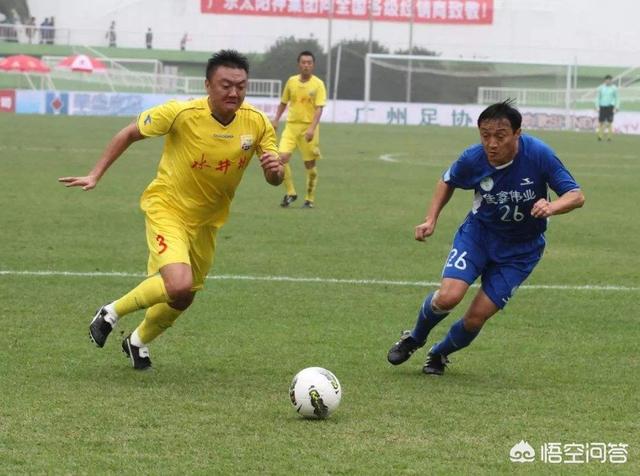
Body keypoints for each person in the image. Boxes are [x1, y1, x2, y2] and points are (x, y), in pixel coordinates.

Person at [58, 50, 284, 370]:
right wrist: (95, 174)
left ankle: (137, 342)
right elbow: (129, 132)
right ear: (208, 85)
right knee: (177, 283)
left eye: (241, 86)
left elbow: (274, 178)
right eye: (225, 85)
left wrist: (275, 170)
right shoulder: (181, 113)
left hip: (207, 222)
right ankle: (110, 312)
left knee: (184, 296)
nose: (234, 92)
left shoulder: (257, 122)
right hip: (168, 208)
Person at [387, 100, 585, 376]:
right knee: (447, 297)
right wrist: (431, 218)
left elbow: (576, 195)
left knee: (475, 317)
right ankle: (415, 338)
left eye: (500, 136)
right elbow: (447, 180)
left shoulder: (539, 154)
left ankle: (439, 353)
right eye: (485, 135)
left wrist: (552, 206)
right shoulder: (473, 158)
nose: (492, 144)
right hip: (478, 236)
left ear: (517, 134)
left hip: (521, 252)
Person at [271, 51, 326, 209]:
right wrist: (276, 119)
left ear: (313, 65)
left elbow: (319, 108)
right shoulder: (291, 81)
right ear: (299, 64)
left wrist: (311, 128)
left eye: (309, 62)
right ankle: (290, 193)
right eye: (303, 62)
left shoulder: (318, 84)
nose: (306, 65)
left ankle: (309, 199)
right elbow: (283, 102)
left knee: (310, 165)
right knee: (281, 159)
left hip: (309, 129)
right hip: (291, 127)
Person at [595, 75, 619, 141]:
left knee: (609, 122)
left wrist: (617, 107)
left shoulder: (614, 88)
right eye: (607, 80)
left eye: (610, 80)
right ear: (605, 80)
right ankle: (600, 136)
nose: (608, 81)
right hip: (602, 106)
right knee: (601, 122)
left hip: (610, 106)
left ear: (611, 81)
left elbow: (617, 98)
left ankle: (609, 137)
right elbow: (597, 98)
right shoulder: (601, 88)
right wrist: (597, 106)